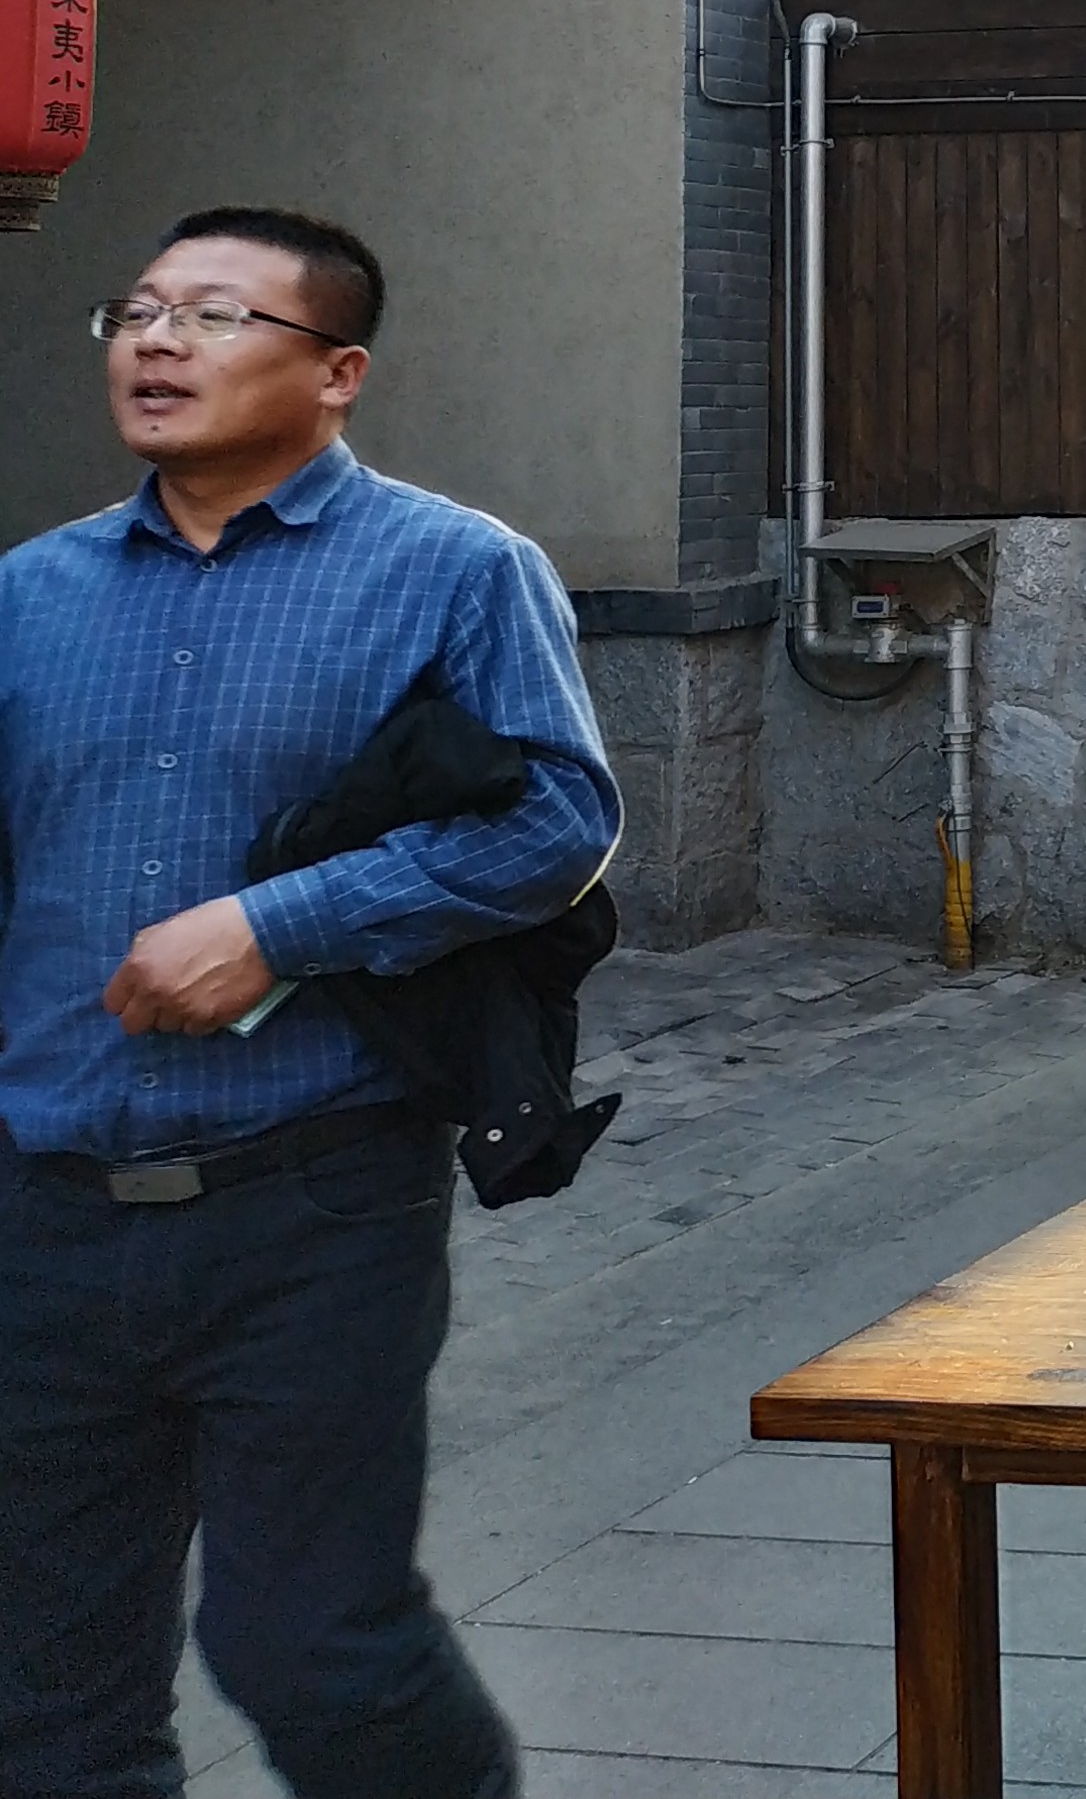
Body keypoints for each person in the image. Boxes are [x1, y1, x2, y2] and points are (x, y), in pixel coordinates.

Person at [0, 207, 622, 1799]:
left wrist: (279, 928)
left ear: (338, 372)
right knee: (44, 1683)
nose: (157, 342)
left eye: (215, 316)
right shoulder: (29, 593)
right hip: (46, 1211)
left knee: (310, 1646)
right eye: (140, 312)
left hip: (314, 1203)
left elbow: (558, 823)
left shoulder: (455, 571)